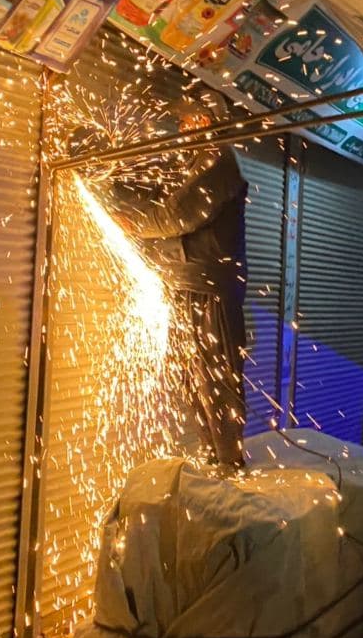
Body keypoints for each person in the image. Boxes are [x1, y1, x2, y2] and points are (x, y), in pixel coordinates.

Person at [99, 99, 250, 472]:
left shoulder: (218, 161)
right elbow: (158, 197)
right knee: (188, 373)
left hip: (207, 286)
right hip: (182, 283)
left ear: (206, 119)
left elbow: (177, 214)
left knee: (214, 374)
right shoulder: (191, 162)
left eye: (189, 121)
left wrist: (135, 224)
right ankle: (214, 454)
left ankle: (229, 460)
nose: (183, 129)